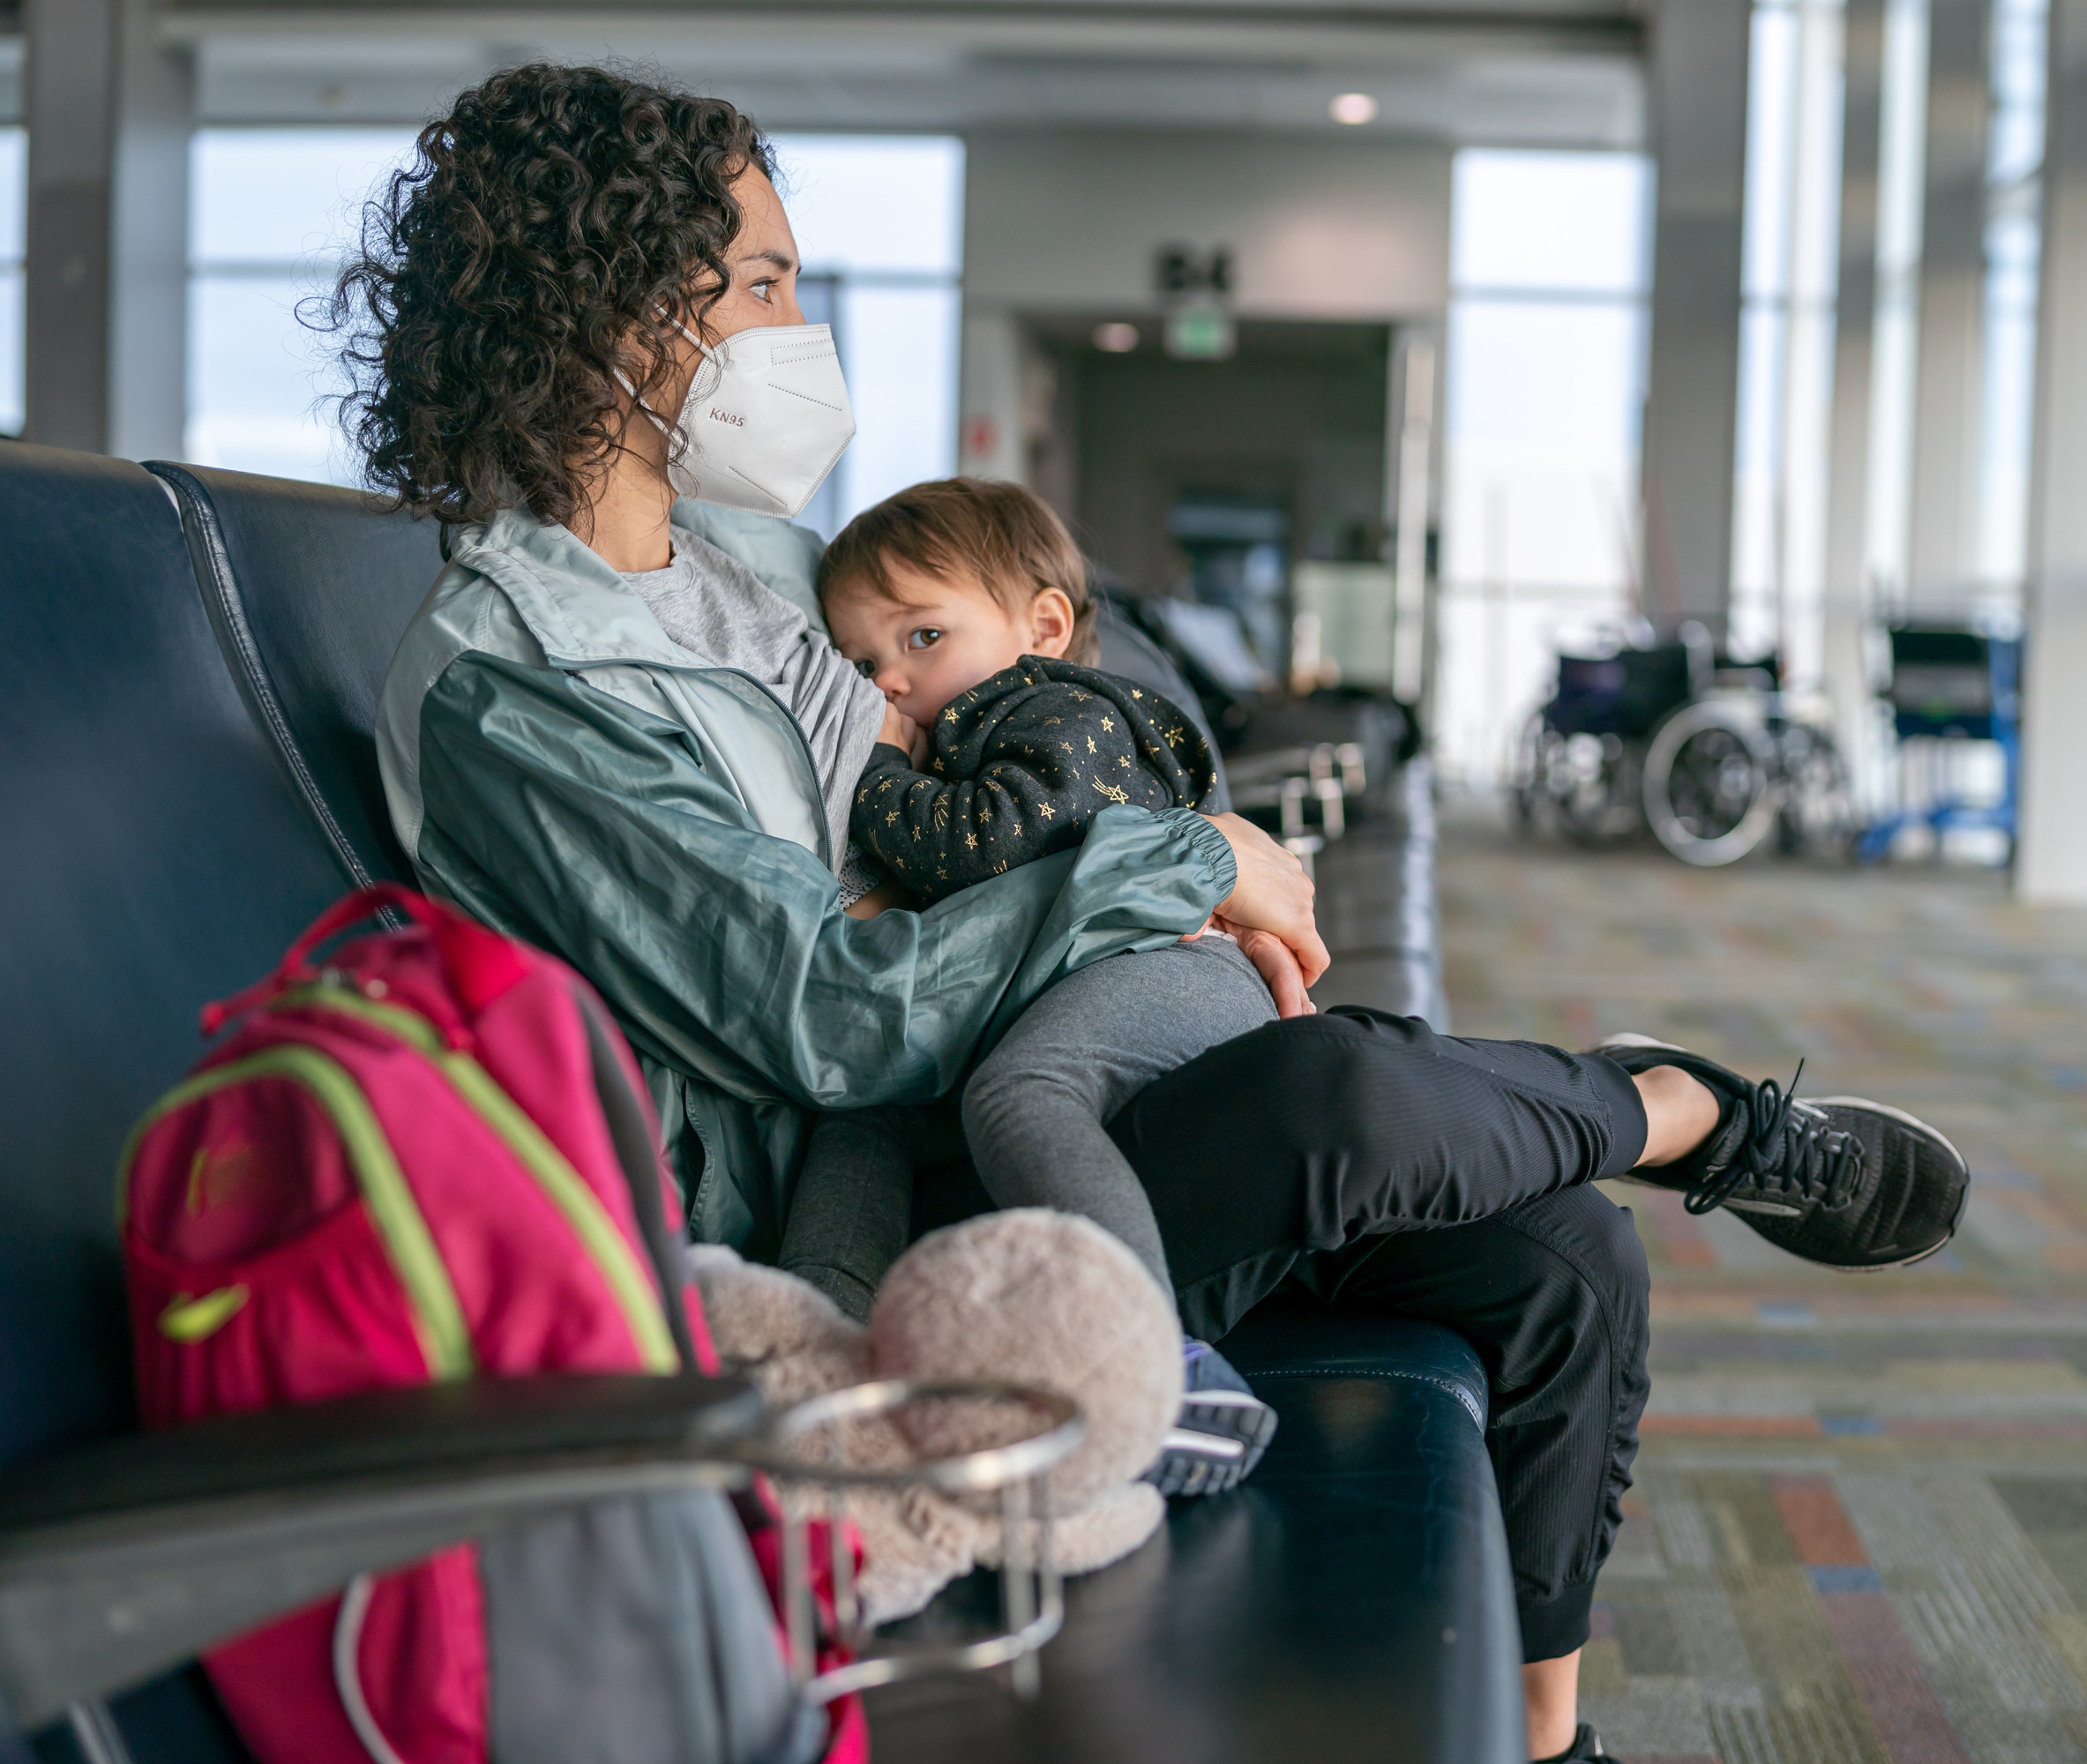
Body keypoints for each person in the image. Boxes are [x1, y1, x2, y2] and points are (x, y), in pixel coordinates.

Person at [348, 64, 1968, 1762]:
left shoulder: (750, 571)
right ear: (612, 321)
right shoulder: (513, 685)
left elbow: (984, 766)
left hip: (996, 1076)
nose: (795, 326)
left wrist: (1146, 854)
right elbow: (824, 1016)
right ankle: (1677, 1105)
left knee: (1561, 1256)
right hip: (854, 1189)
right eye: (759, 285)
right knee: (1325, 1098)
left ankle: (1551, 1742)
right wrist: (1186, 862)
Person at [816, 474, 1307, 1493]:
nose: (884, 684)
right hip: (1098, 973)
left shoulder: (1057, 712)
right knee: (860, 1122)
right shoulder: (978, 723)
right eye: (859, 659)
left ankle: (1160, 1365)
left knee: (1022, 1092)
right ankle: (826, 1337)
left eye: (919, 638)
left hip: (1178, 967)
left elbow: (982, 846)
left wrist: (873, 775)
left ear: (1041, 626)